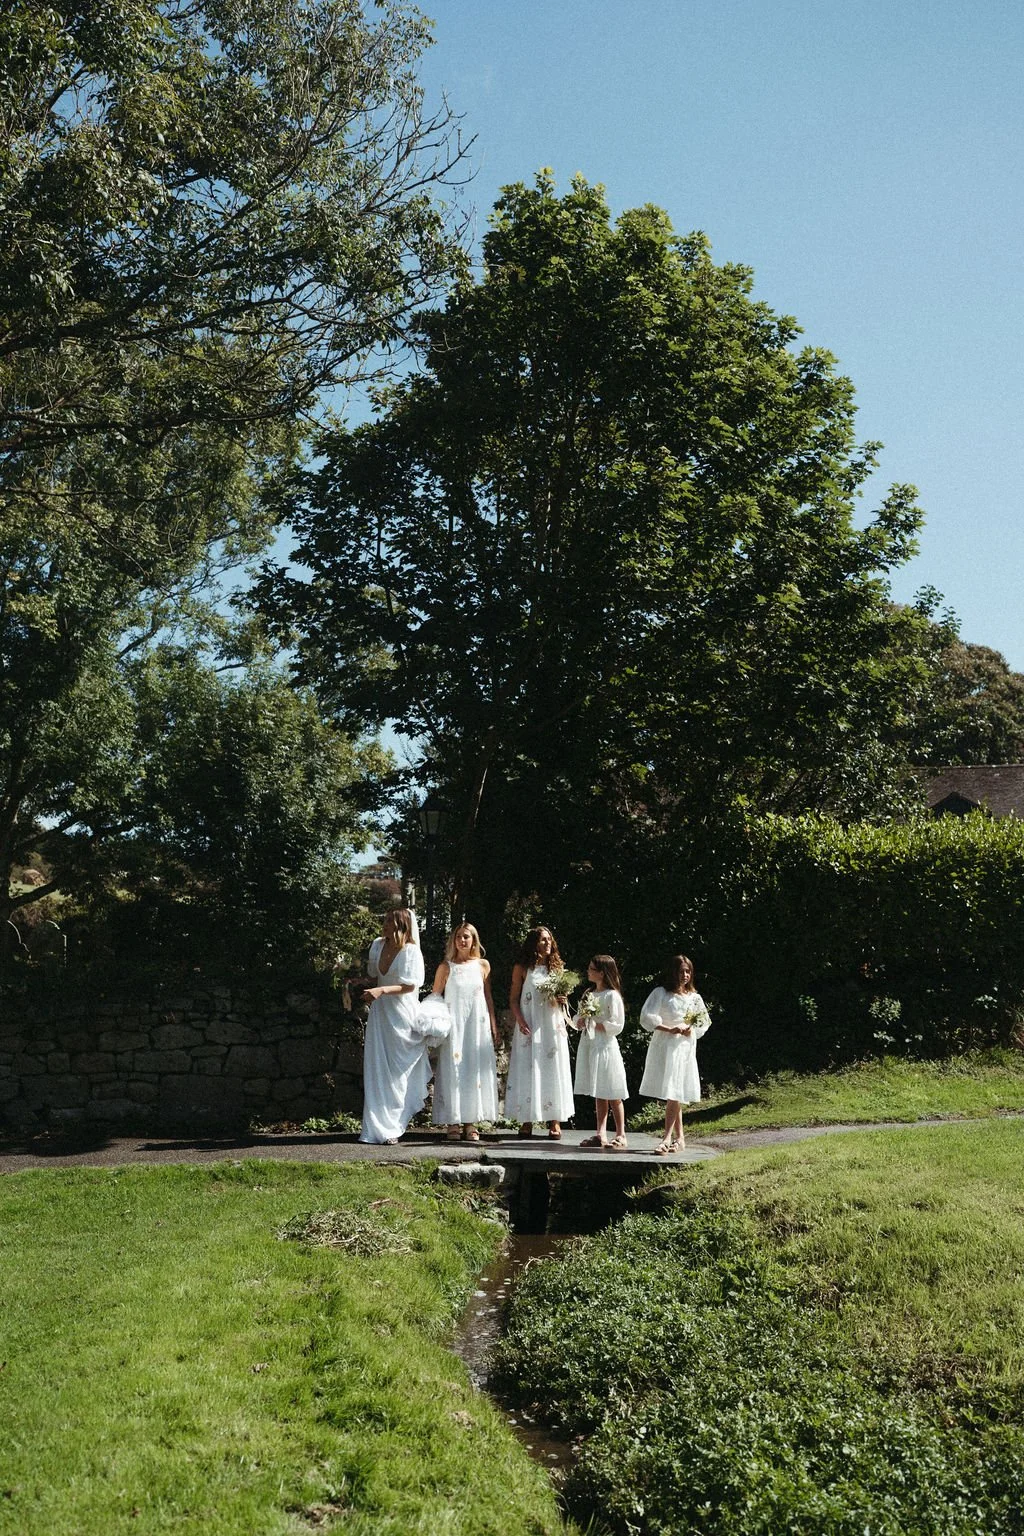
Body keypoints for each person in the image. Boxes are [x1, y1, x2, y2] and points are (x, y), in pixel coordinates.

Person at [356, 907, 428, 1145]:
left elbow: (410, 986)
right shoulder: (377, 945)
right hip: (380, 1015)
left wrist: (382, 990)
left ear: (401, 925)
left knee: (397, 1073)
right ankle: (375, 1127)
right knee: (377, 1069)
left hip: (402, 1015)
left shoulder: (411, 951)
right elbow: (374, 977)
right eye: (385, 919)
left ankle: (394, 1127)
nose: (384, 923)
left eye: (389, 920)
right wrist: (357, 981)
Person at [429, 921, 500, 1142]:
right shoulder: (446, 967)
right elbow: (435, 998)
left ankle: (471, 1122)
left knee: (473, 1070)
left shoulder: (483, 965)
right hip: (455, 1026)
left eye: (466, 936)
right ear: (454, 940)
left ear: (473, 940)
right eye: (458, 936)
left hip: (477, 1026)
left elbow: (487, 996)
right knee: (453, 1069)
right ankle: (453, 1122)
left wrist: (493, 1022)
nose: (462, 940)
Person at [506, 925, 575, 1139]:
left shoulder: (557, 968)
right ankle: (526, 1119)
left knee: (552, 1069)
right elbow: (513, 999)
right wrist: (520, 1020)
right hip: (530, 1024)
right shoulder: (522, 968)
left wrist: (563, 999)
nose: (547, 943)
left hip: (551, 1025)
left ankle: (554, 1121)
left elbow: (562, 998)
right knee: (527, 1068)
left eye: (549, 939)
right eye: (543, 940)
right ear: (534, 943)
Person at [639, 954, 711, 1154]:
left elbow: (703, 1022)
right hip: (665, 1047)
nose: (685, 975)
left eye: (688, 971)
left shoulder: (694, 997)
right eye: (681, 971)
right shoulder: (661, 993)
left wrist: (690, 1029)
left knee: (674, 1092)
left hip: (683, 1049)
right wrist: (668, 1028)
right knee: (674, 1092)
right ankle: (680, 1139)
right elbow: (647, 1017)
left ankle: (667, 1138)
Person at [572, 954, 629, 1150]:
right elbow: (579, 1016)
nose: (588, 971)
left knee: (612, 1090)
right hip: (590, 1044)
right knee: (599, 1091)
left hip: (605, 1046)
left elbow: (617, 1023)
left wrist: (596, 1024)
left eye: (591, 969)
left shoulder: (612, 995)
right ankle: (601, 1133)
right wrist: (580, 1021)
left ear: (602, 973)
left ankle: (621, 1134)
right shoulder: (588, 993)